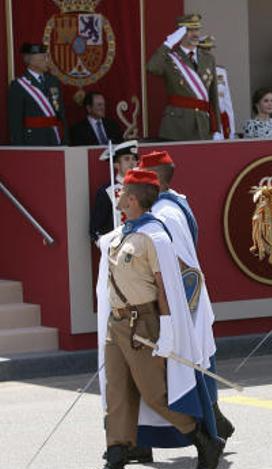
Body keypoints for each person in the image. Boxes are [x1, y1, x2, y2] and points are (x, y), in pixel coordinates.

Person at [82, 168, 222, 469]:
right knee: (117, 394)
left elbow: (167, 288)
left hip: (143, 323)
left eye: (122, 191)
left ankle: (203, 440)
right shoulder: (122, 233)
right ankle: (115, 463)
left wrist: (169, 333)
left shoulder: (155, 236)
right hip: (117, 325)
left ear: (132, 197)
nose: (117, 194)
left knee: (155, 393)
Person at [137, 150, 235, 441]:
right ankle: (213, 419)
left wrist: (172, 314)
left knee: (186, 364)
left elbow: (180, 267)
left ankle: (208, 427)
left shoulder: (164, 213)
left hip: (182, 300)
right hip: (186, 299)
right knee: (199, 358)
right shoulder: (173, 204)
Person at [147, 14, 222, 142]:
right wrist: (168, 44)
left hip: (203, 125)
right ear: (180, 33)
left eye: (197, 29)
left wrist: (217, 129)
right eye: (189, 30)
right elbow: (151, 68)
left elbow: (213, 95)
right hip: (177, 126)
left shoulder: (208, 59)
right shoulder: (170, 58)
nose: (195, 34)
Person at [8, 43, 65, 146]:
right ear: (29, 59)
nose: (47, 60)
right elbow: (15, 123)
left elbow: (61, 114)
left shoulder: (53, 81)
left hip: (55, 138)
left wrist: (66, 140)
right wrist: (20, 148)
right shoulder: (18, 86)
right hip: (33, 141)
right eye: (44, 56)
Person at [89, 141, 139, 243]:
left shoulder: (144, 188)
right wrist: (109, 248)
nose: (132, 163)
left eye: (134, 159)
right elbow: (95, 230)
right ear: (117, 164)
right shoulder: (107, 191)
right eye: (126, 159)